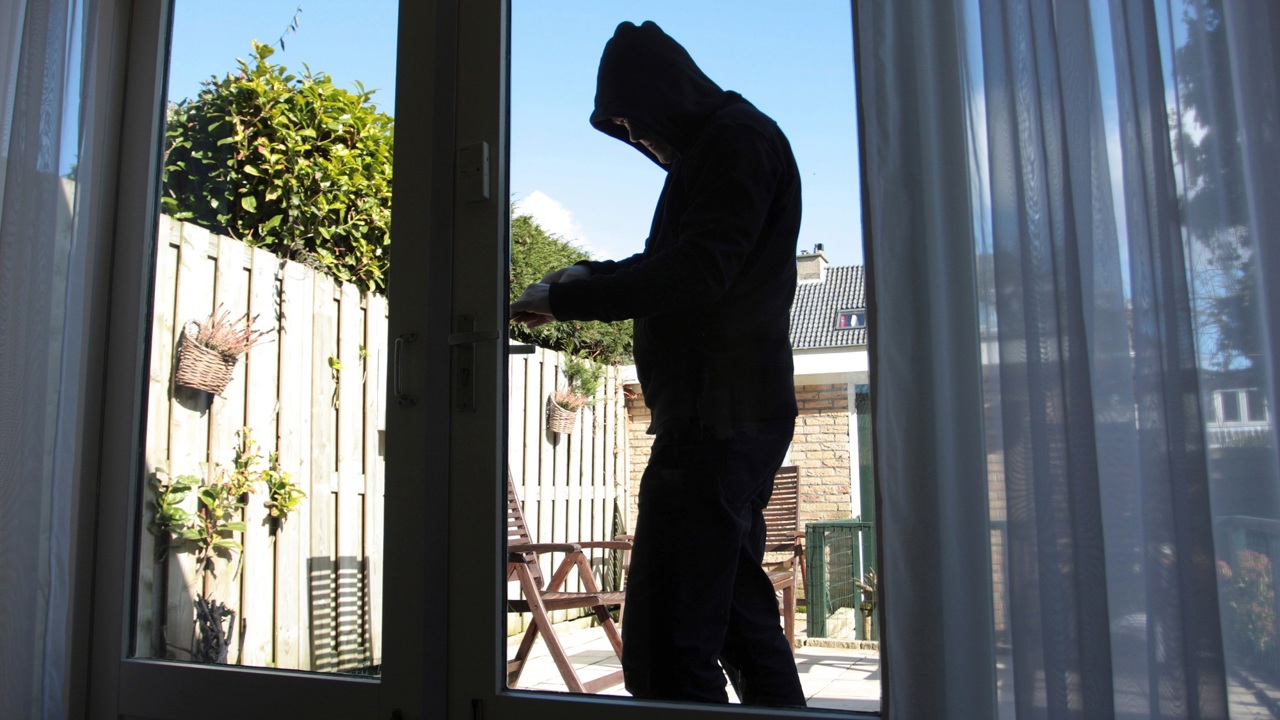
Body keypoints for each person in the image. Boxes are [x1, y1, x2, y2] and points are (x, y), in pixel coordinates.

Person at [510, 20, 804, 707]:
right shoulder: (723, 146)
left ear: (666, 95)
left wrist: (569, 299)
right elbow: (673, 262)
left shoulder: (735, 142)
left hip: (714, 423)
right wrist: (586, 276)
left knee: (665, 653)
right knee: (740, 624)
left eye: (635, 121)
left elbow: (697, 273)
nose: (638, 138)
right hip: (729, 418)